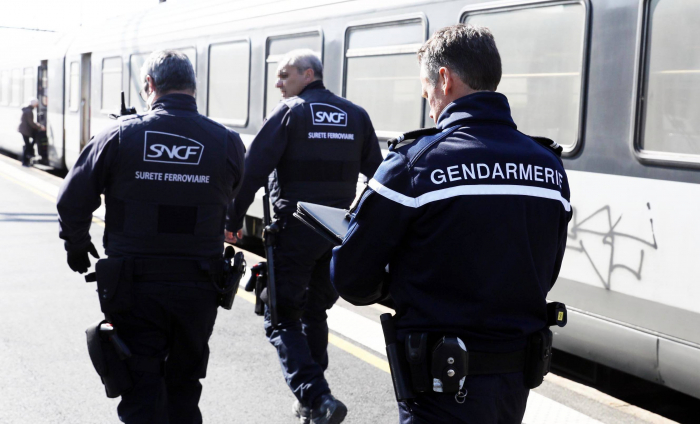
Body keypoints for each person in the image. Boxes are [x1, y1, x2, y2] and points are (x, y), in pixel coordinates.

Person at [331, 24, 572, 424]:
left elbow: (351, 277)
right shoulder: (549, 168)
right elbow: (544, 271)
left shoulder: (413, 166)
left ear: (444, 79)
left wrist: (402, 283)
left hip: (441, 388)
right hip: (513, 386)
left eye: (426, 90)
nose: (428, 105)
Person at [56, 50, 245, 424]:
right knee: (185, 384)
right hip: (200, 285)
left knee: (140, 386)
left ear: (149, 85)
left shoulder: (119, 135)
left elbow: (71, 200)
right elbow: (232, 192)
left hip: (133, 286)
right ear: (193, 88)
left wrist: (76, 245)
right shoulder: (227, 142)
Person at [226, 49, 382, 424]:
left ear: (309, 74)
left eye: (284, 75)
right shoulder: (356, 116)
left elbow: (252, 170)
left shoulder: (291, 113)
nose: (278, 83)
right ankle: (315, 400)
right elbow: (378, 175)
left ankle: (316, 397)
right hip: (336, 233)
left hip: (294, 232)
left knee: (281, 318)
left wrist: (232, 218)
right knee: (314, 312)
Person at [18, 98, 45, 166]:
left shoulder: (27, 110)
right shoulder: (29, 111)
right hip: (25, 130)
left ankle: (27, 158)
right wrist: (40, 127)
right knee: (28, 145)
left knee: (28, 144)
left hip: (24, 130)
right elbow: (31, 123)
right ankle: (25, 161)